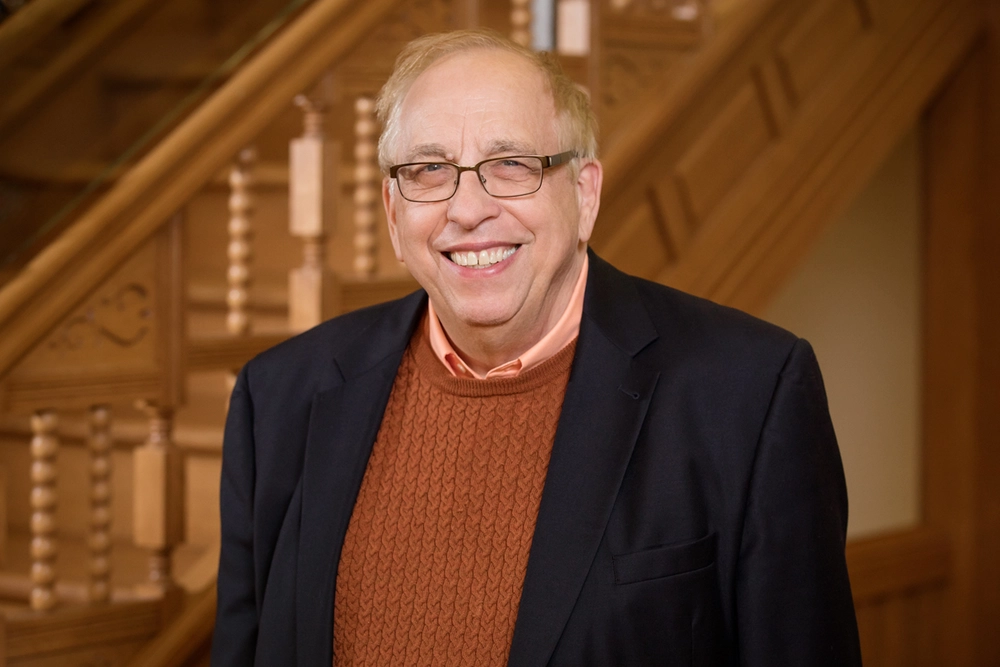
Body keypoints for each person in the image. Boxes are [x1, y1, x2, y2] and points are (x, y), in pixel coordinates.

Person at [212, 29, 862, 666]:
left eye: (511, 165)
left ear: (584, 194)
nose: (467, 208)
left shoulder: (749, 393)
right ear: (391, 209)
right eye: (430, 169)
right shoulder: (278, 400)